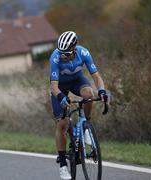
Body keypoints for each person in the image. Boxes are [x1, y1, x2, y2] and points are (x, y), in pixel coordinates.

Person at [50, 31, 108, 180]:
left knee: (89, 95)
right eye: (61, 53)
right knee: (62, 124)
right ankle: (63, 165)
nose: (63, 56)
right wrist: (62, 97)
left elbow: (96, 76)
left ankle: (86, 127)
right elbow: (53, 87)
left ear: (75, 49)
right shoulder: (55, 58)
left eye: (67, 53)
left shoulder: (83, 52)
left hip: (77, 81)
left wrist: (102, 90)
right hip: (60, 87)